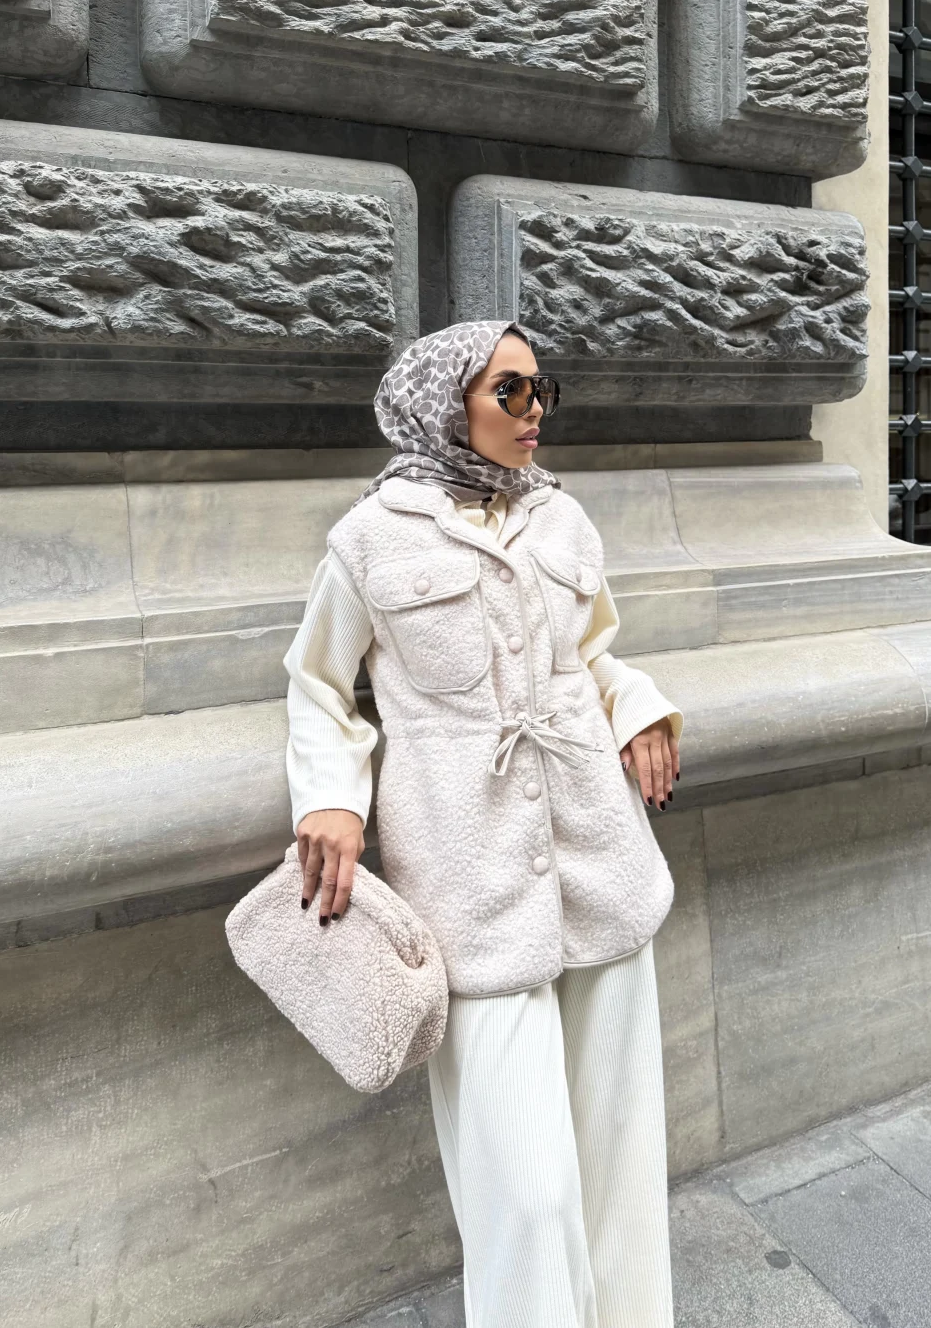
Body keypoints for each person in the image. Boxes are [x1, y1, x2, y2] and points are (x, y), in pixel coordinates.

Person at [283, 320, 683, 1328]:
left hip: (601, 861)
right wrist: (330, 797)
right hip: (468, 882)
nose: (534, 409)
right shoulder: (370, 538)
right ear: (443, 401)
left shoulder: (562, 519)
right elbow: (318, 683)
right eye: (509, 390)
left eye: (543, 388)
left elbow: (592, 655)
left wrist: (637, 709)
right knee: (526, 1193)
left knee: (621, 1161)